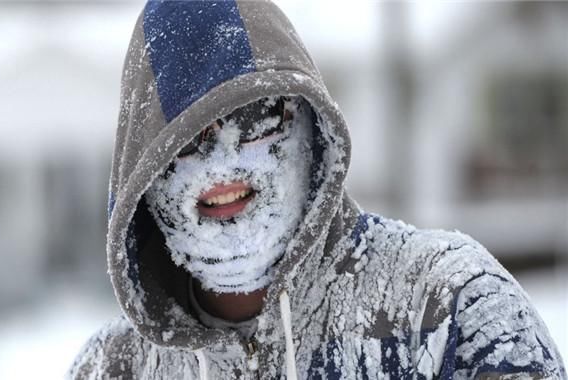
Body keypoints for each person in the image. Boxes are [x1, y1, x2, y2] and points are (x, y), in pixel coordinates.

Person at [68, 1, 566, 379]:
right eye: (183, 134)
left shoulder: (447, 309)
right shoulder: (114, 369)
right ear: (142, 168)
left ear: (310, 125)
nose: (223, 157)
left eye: (253, 115)